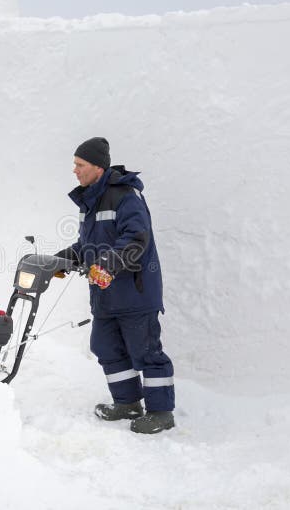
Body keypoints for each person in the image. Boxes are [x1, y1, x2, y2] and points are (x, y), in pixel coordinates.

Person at [55, 137, 175, 434]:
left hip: (134, 293)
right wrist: (59, 260)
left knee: (146, 352)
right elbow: (87, 245)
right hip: (106, 295)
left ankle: (161, 413)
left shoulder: (126, 197)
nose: (75, 170)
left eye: (79, 165)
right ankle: (127, 403)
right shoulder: (90, 201)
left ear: (97, 167)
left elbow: (136, 240)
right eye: (74, 164)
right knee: (105, 346)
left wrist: (107, 264)